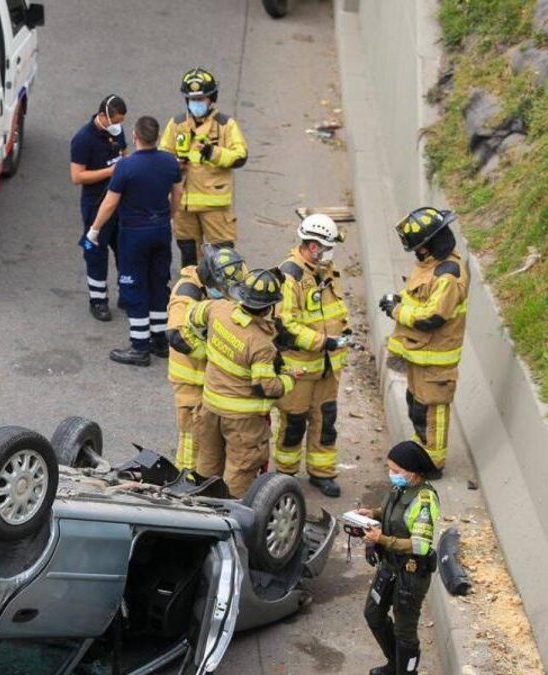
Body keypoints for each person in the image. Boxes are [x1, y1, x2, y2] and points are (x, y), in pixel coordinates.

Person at [188, 268, 295, 497]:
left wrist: (209, 341)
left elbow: (192, 317)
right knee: (238, 476)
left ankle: (200, 513)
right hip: (242, 422)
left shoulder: (218, 309)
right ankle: (229, 521)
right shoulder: (260, 343)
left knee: (206, 466)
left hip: (209, 409)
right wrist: (288, 379)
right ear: (269, 306)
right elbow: (264, 387)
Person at [380, 207, 468, 475]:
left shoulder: (448, 275)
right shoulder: (431, 267)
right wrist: (397, 299)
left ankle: (433, 462)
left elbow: (432, 317)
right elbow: (419, 298)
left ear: (432, 244)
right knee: (417, 405)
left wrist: (395, 311)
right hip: (420, 356)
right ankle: (422, 449)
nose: (417, 253)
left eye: (419, 248)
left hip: (435, 360)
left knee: (433, 410)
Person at [88, 116, 182, 365]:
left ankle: (139, 346)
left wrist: (94, 230)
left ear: (134, 136)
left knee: (134, 287)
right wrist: (170, 218)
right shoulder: (169, 161)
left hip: (134, 235)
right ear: (158, 136)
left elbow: (110, 203)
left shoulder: (126, 167)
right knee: (158, 283)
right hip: (161, 231)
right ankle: (159, 341)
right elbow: (177, 194)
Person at [273, 214, 351, 497]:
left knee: (325, 420)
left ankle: (322, 473)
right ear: (314, 246)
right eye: (328, 247)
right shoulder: (289, 275)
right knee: (293, 422)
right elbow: (285, 325)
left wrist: (344, 332)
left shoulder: (325, 272)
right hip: (300, 367)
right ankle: (285, 475)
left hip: (328, 365)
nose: (331, 254)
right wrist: (322, 342)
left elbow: (335, 310)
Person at [357, 441, 441, 675]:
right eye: (390, 469)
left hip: (410, 574)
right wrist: (371, 514)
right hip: (390, 566)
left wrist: (381, 539)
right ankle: (394, 664)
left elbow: (420, 545)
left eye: (396, 470)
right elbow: (391, 512)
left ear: (412, 472)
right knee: (373, 614)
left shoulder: (424, 501)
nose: (391, 474)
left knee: (404, 630)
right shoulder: (400, 489)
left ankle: (406, 672)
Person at [165, 244, 247, 470]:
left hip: (208, 378)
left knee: (210, 435)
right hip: (191, 379)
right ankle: (185, 483)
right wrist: (213, 354)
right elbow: (176, 335)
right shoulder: (187, 293)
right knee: (193, 438)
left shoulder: (226, 273)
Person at [159, 68, 248, 268]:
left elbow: (240, 156)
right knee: (189, 258)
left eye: (201, 99)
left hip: (215, 206)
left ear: (211, 98)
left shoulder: (225, 125)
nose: (196, 103)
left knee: (224, 259)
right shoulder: (176, 124)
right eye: (192, 99)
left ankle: (222, 298)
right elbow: (162, 156)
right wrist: (175, 163)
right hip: (184, 205)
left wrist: (213, 153)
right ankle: (191, 297)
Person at [70, 95, 128, 322]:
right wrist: (112, 172)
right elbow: (77, 176)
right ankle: (98, 301)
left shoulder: (117, 131)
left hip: (120, 203)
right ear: (103, 116)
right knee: (95, 253)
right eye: (114, 121)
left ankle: (127, 294)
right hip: (95, 205)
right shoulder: (83, 139)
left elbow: (123, 154)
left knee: (125, 251)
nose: (117, 126)